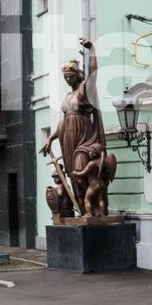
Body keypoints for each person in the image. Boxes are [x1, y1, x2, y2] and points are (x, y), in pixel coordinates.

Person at [40, 37, 116, 219]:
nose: (67, 79)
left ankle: (98, 209)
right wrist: (51, 138)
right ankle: (85, 210)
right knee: (74, 176)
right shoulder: (67, 96)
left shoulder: (84, 90)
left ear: (78, 75)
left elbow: (94, 74)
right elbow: (63, 122)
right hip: (68, 140)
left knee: (81, 172)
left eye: (70, 76)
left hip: (84, 139)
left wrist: (92, 50)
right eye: (65, 77)